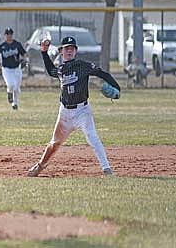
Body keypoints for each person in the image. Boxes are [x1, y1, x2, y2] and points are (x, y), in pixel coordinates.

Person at [28, 36, 121, 177]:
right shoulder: (60, 69)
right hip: (65, 113)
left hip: (83, 111)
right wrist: (43, 52)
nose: (69, 51)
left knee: (92, 136)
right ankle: (40, 166)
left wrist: (117, 88)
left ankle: (106, 169)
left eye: (72, 48)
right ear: (61, 51)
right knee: (55, 143)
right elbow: (51, 71)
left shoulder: (83, 66)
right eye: (66, 48)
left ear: (76, 51)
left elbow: (103, 74)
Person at [0, 27, 27, 110]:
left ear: (12, 35)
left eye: (10, 34)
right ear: (5, 35)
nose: (9, 35)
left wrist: (24, 60)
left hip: (17, 68)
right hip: (6, 69)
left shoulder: (17, 44)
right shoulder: (2, 46)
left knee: (16, 87)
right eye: (7, 34)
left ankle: (15, 103)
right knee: (11, 84)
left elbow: (24, 54)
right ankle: (9, 93)